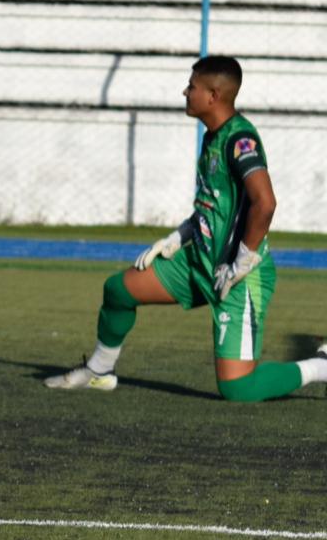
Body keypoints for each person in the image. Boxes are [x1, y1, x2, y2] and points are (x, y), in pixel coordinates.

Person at [45, 56, 327, 400]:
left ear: (213, 95)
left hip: (239, 278)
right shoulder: (212, 137)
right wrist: (179, 236)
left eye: (192, 86)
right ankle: (99, 371)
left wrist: (243, 261)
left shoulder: (240, 140)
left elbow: (265, 203)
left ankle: (321, 366)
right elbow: (215, 206)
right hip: (200, 264)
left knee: (238, 388)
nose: (185, 92)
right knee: (119, 290)